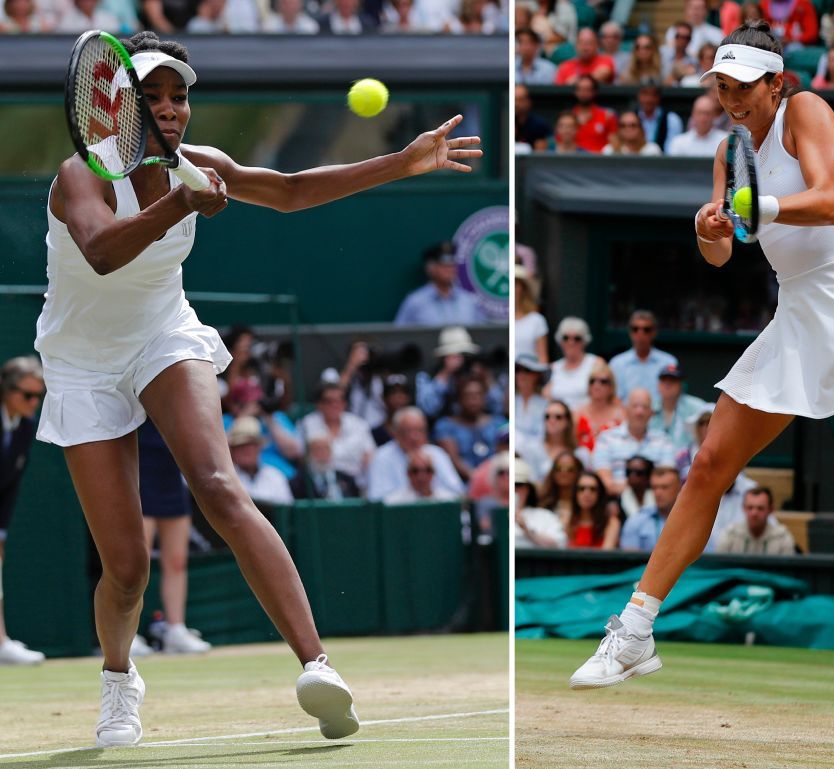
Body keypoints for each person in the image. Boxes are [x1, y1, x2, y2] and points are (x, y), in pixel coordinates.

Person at [37, 30, 480, 747]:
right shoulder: (79, 176)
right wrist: (181, 205)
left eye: (180, 96)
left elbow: (292, 189)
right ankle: (119, 677)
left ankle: (318, 666)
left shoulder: (199, 163)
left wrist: (400, 162)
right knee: (126, 566)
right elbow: (101, 250)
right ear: (115, 106)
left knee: (219, 483)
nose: (173, 110)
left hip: (162, 334)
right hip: (80, 362)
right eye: (153, 96)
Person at [570, 21, 834, 757]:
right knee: (708, 466)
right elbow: (719, 251)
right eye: (720, 85)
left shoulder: (809, 113)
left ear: (776, 82)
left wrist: (752, 208)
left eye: (740, 84)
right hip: (795, 321)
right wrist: (710, 224)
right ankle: (635, 628)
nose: (729, 98)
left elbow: (827, 199)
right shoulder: (726, 150)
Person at [137, 420, 212, 655]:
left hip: (171, 475)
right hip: (138, 472)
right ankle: (127, 635)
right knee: (137, 563)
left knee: (177, 560)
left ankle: (176, 629)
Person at [0, 356, 46, 666]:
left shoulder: (25, 427)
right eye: (27, 396)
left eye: (39, 396)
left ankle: (2, 642)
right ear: (6, 389)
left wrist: (2, 529)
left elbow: (11, 483)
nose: (34, 402)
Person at [366, 407, 465, 500]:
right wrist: (410, 494)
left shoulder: (437, 454)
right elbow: (377, 499)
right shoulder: (381, 457)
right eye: (408, 431)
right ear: (396, 433)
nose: (414, 437)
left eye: (419, 430)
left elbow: (457, 493)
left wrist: (430, 494)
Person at [592, 388, 675, 497]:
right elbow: (604, 482)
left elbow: (667, 481)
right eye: (635, 406)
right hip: (616, 501)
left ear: (651, 413)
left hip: (654, 503)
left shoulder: (664, 441)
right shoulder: (606, 439)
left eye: (644, 407)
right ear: (625, 410)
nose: (639, 412)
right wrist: (637, 489)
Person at [298, 383, 375, 489]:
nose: (334, 405)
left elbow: (369, 458)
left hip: (356, 485)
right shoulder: (306, 425)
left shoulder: (359, 424)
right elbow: (305, 460)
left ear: (345, 403)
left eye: (339, 400)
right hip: (319, 485)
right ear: (319, 404)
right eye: (328, 401)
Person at [394, 241, 485, 326]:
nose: (450, 270)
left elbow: (482, 333)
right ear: (431, 269)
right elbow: (399, 336)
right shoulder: (416, 301)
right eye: (444, 266)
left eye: (452, 265)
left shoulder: (467, 300)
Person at [433, 375, 503, 481]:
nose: (473, 399)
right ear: (459, 399)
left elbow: (504, 455)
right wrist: (478, 480)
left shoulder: (499, 423)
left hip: (497, 482)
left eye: (478, 395)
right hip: (461, 486)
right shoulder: (445, 426)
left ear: (485, 398)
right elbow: (453, 460)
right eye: (468, 395)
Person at [608, 309, 678, 407]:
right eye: (635, 329)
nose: (640, 334)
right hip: (626, 418)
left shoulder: (668, 362)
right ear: (630, 332)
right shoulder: (617, 363)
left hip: (660, 418)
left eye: (646, 329)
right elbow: (614, 398)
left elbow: (673, 395)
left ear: (654, 333)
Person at [544, 316, 604, 409]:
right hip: (559, 420)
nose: (571, 342)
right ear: (560, 341)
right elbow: (546, 397)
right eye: (566, 338)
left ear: (585, 341)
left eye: (577, 338)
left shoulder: (596, 363)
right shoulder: (553, 367)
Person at [716, 486, 796, 555]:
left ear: (771, 509)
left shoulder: (782, 537)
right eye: (750, 508)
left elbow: (787, 572)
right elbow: (719, 568)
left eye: (760, 508)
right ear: (743, 508)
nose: (754, 513)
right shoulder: (730, 534)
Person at [649, 363, 709, 453]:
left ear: (681, 385)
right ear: (658, 385)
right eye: (664, 380)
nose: (667, 385)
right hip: (655, 460)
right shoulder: (649, 408)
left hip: (687, 459)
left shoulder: (696, 406)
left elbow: (712, 416)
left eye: (672, 381)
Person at [618, 466, 681, 550]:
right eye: (654, 487)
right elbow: (630, 559)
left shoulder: (694, 519)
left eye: (664, 487)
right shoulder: (636, 521)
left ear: (679, 488)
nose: (658, 493)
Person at [289, 432, 360, 501]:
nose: (321, 454)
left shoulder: (347, 479)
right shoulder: (298, 482)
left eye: (325, 449)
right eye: (317, 449)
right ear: (309, 454)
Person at [514, 458, 567, 548]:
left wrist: (526, 529)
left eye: (518, 485)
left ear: (528, 489)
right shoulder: (494, 515)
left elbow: (558, 544)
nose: (513, 489)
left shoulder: (545, 516)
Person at [574, 361, 625, 452]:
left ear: (611, 387)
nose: (596, 385)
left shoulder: (621, 414)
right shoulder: (577, 414)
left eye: (603, 381)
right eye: (592, 381)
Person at [567, 471, 621, 548]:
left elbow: (607, 555)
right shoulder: (567, 520)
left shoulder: (611, 523)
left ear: (599, 494)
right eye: (581, 488)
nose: (587, 493)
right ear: (575, 493)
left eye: (593, 489)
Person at [383, 449, 459, 503]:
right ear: (408, 473)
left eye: (427, 470)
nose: (421, 476)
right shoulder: (394, 503)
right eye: (415, 471)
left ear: (433, 473)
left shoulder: (448, 501)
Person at [571, 75, 619, 154]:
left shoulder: (607, 116)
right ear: (576, 92)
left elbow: (615, 147)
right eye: (580, 89)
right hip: (574, 162)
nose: (584, 93)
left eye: (587, 89)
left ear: (594, 92)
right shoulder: (569, 117)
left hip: (600, 163)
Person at [536, 450, 584, 523]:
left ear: (578, 472)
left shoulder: (585, 504)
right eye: (558, 468)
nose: (563, 473)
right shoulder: (542, 501)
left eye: (570, 469)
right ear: (553, 472)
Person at [514, 264, 549, 361]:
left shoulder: (536, 320)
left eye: (515, 284)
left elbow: (542, 358)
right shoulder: (499, 322)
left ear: (523, 289)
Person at [635, 84, 683, 153]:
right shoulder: (630, 118)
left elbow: (673, 151)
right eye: (645, 94)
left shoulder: (672, 119)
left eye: (653, 95)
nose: (649, 99)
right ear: (638, 96)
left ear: (658, 97)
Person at [514, 84, 554, 152]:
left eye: (520, 100)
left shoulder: (539, 125)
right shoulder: (504, 123)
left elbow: (540, 155)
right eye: (514, 99)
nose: (516, 104)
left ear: (528, 101)